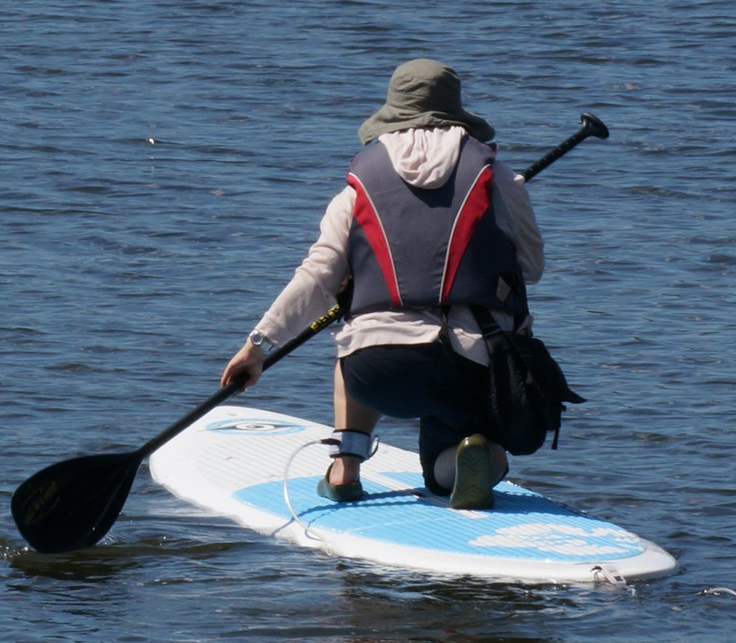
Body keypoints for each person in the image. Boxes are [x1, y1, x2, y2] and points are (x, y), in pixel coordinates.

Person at [219, 59, 544, 511]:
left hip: (378, 370)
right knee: (460, 452)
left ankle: (346, 467)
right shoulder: (498, 178)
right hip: (470, 368)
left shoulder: (358, 186)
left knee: (354, 333)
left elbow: (316, 275)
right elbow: (531, 266)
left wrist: (257, 346)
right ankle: (474, 459)